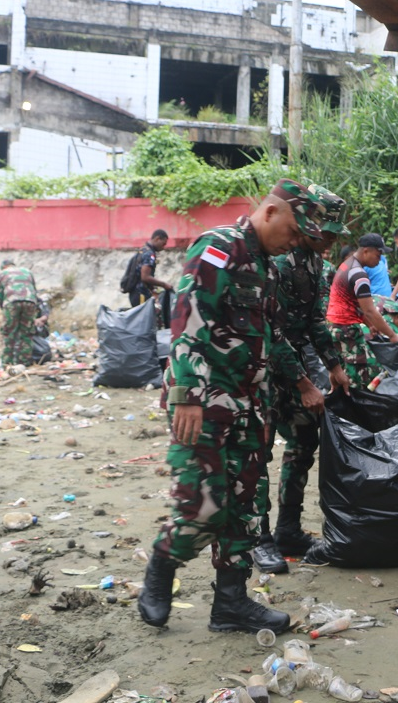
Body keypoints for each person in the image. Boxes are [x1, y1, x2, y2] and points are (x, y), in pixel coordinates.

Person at [138, 179, 324, 635]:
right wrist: (187, 396)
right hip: (204, 403)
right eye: (295, 231)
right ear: (271, 213)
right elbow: (186, 321)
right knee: (205, 507)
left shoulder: (269, 267)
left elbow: (271, 336)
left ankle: (231, 604)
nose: (295, 242)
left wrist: (300, 380)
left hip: (251, 406)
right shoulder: (218, 247)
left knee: (245, 504)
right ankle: (161, 568)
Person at [255, 186, 353, 574]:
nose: (330, 240)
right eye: (325, 232)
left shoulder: (317, 265)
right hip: (267, 369)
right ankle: (259, 539)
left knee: (304, 441)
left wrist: (333, 365)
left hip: (295, 364)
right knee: (258, 453)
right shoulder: (277, 261)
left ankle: (288, 529)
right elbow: (270, 330)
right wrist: (303, 383)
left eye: (334, 235)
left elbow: (313, 321)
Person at [326, 233, 398, 388]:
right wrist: (393, 335)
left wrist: (369, 324)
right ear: (366, 251)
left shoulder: (346, 265)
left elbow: (351, 302)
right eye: (378, 253)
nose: (380, 258)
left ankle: (335, 405)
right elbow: (369, 310)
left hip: (334, 325)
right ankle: (355, 409)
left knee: (338, 371)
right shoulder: (359, 274)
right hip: (346, 328)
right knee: (359, 376)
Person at [0, 259, 40, 367]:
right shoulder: (27, 271)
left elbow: (0, 294)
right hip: (30, 301)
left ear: (4, 267)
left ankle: (8, 362)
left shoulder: (3, 273)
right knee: (27, 332)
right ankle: (24, 361)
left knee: (9, 332)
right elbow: (34, 289)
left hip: (12, 302)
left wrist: (3, 308)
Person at [129, 229, 174, 324]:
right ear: (158, 239)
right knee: (143, 324)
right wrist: (164, 284)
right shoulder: (149, 254)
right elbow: (145, 277)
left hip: (136, 293)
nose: (163, 247)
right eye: (163, 244)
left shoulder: (143, 250)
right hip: (141, 294)